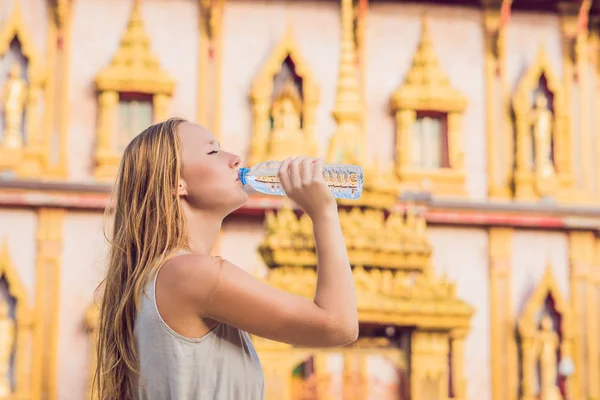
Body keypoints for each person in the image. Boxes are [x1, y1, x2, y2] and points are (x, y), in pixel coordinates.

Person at [92, 117, 358, 400]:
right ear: (176, 183)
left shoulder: (163, 275)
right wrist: (324, 213)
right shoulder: (192, 274)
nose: (235, 159)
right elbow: (338, 325)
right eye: (212, 152)